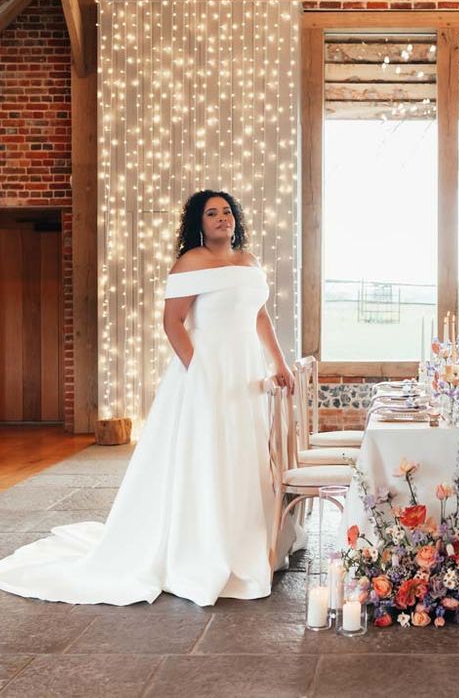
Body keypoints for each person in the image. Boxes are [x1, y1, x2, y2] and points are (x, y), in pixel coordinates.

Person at [0, 190, 300, 606]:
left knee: (242, 451)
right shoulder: (190, 263)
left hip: (244, 372)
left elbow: (260, 315)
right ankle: (201, 547)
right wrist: (199, 370)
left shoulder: (248, 262)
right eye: (212, 213)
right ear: (199, 221)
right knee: (207, 452)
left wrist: (279, 363)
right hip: (206, 371)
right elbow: (173, 322)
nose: (221, 218)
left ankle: (248, 538)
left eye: (227, 212)